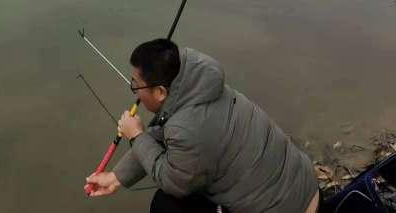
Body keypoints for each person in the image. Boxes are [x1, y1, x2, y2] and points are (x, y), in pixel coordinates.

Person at [85, 39, 319, 213]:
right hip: (305, 187)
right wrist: (116, 178)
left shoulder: (187, 130)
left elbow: (172, 181)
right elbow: (160, 136)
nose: (135, 92)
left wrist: (136, 136)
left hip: (290, 208)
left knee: (165, 206)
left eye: (136, 85)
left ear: (160, 92)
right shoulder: (198, 85)